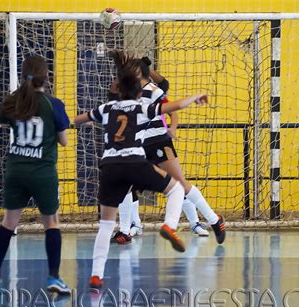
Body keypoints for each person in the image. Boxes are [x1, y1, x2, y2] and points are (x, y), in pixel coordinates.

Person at [73, 66, 208, 289]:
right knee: (176, 189)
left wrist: (76, 122)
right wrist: (195, 96)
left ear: (118, 92)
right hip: (135, 163)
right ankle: (170, 226)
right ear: (138, 93)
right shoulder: (143, 107)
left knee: (106, 225)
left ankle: (96, 275)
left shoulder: (106, 109)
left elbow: (78, 119)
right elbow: (175, 105)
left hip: (109, 167)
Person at [108, 53, 226, 244]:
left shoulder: (154, 91)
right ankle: (124, 231)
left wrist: (172, 127)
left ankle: (214, 219)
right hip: (137, 145)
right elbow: (113, 90)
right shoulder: (127, 90)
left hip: (158, 142)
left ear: (140, 71)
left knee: (180, 183)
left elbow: (171, 109)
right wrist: (121, 70)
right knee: (124, 184)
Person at [0, 56, 71, 295]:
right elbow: (64, 142)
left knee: (8, 223)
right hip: (43, 173)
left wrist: (2, 122)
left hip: (16, 171)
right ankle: (54, 276)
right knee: (51, 223)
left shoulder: (12, 102)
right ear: (47, 77)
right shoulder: (54, 104)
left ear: (23, 77)